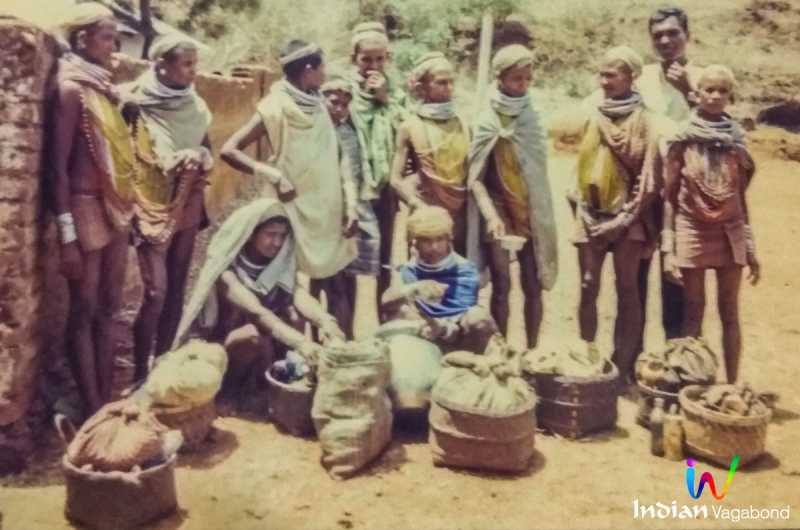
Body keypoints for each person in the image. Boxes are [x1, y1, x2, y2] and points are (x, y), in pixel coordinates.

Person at [221, 40, 357, 335]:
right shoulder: (275, 107)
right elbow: (229, 149)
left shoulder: (319, 103)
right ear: (308, 70)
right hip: (290, 206)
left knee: (335, 285)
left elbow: (338, 156)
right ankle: (288, 357)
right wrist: (270, 173)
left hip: (327, 210)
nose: (325, 74)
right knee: (287, 287)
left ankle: (338, 357)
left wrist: (351, 202)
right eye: (323, 68)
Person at [173, 199, 345, 408]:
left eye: (282, 236)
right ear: (252, 234)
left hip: (266, 339)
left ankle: (266, 387)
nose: (277, 243)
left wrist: (325, 320)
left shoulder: (277, 264)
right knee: (250, 336)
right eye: (270, 235)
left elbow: (297, 294)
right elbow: (257, 313)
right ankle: (228, 394)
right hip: (224, 350)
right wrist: (302, 343)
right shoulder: (228, 274)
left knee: (293, 316)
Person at [51, 3, 137, 415]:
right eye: (107, 37)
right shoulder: (70, 90)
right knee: (83, 310)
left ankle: (106, 398)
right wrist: (67, 237)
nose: (114, 46)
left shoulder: (104, 89)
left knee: (109, 306)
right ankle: (91, 405)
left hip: (114, 208)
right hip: (83, 208)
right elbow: (57, 168)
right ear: (83, 39)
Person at [122, 35, 214, 380]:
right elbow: (119, 152)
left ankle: (159, 367)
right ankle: (137, 375)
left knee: (175, 287)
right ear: (161, 64)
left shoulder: (195, 106)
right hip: (148, 204)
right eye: (186, 64)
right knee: (155, 293)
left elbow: (209, 151)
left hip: (188, 200)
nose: (193, 72)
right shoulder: (133, 101)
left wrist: (199, 156)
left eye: (194, 63)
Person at [662, 65, 760, 384]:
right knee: (693, 310)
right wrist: (668, 247)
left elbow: (740, 197)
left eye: (722, 90)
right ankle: (695, 385)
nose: (716, 96)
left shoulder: (737, 141)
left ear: (730, 95)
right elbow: (669, 196)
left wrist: (750, 244)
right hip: (691, 228)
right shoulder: (682, 138)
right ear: (697, 94)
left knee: (730, 311)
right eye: (709, 90)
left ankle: (731, 386)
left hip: (729, 230)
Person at [570, 47, 661, 383]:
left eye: (612, 75)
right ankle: (587, 358)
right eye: (602, 74)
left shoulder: (646, 121)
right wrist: (582, 207)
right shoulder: (593, 115)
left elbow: (650, 182)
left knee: (627, 288)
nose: (604, 81)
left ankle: (621, 368)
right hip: (590, 214)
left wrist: (621, 220)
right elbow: (579, 167)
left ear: (632, 77)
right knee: (587, 284)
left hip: (629, 218)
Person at [468, 44, 558, 349]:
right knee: (503, 285)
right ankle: (501, 351)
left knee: (533, 285)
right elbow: (476, 180)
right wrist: (491, 216)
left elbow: (538, 173)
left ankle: (532, 353)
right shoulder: (486, 120)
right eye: (516, 79)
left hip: (530, 211)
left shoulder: (532, 118)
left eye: (527, 79)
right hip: (498, 210)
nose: (522, 85)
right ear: (499, 79)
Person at [638, 6, 704, 343]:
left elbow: (721, 129)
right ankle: (631, 363)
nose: (665, 40)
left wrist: (689, 93)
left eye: (672, 33)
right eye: (658, 35)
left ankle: (678, 365)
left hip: (686, 194)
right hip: (645, 189)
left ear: (687, 36)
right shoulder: (641, 77)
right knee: (635, 276)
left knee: (677, 280)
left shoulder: (706, 78)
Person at [348, 22, 408, 316]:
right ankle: (341, 329)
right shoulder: (342, 93)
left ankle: (383, 320)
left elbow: (408, 130)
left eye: (379, 59)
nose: (373, 65)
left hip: (384, 187)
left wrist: (385, 98)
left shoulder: (397, 94)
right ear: (354, 59)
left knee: (384, 256)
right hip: (351, 186)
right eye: (366, 59)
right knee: (346, 258)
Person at [390, 52, 474, 255]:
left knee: (460, 272)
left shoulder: (464, 123)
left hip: (462, 214)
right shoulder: (410, 127)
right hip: (427, 216)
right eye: (441, 83)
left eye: (451, 82)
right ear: (421, 88)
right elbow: (395, 179)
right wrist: (418, 206)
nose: (449, 88)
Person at [381, 206, 496, 353]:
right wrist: (415, 289)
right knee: (401, 311)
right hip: (423, 332)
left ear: (449, 238)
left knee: (478, 317)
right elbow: (386, 301)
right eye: (426, 241)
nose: (434, 247)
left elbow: (462, 316)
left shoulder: (464, 270)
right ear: (415, 242)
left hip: (459, 339)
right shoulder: (409, 270)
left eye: (439, 239)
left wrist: (441, 329)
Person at [322, 74, 381, 337]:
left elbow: (353, 175)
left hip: (347, 215)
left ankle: (345, 337)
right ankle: (320, 337)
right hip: (321, 215)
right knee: (318, 280)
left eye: (345, 104)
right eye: (333, 102)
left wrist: (352, 208)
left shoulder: (349, 132)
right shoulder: (315, 131)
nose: (339, 109)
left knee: (347, 280)